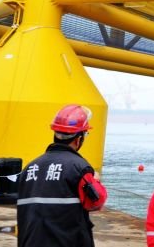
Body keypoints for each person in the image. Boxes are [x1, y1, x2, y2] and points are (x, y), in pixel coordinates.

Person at [17, 104, 107, 247]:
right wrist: (96, 181)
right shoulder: (80, 168)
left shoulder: (29, 169)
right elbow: (96, 202)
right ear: (79, 139)